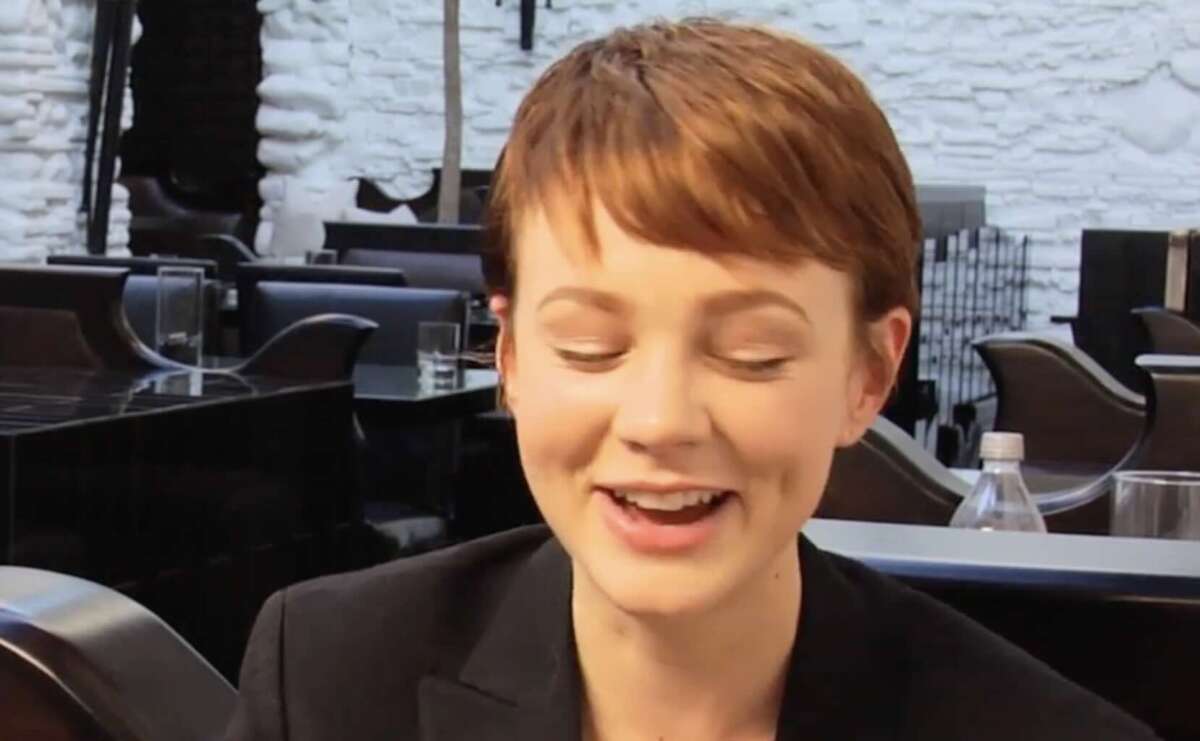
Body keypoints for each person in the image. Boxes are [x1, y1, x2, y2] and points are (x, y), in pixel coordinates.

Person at [225, 19, 1159, 741]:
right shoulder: (329, 679)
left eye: (751, 354)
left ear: (868, 373)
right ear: (509, 361)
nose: (661, 421)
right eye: (591, 345)